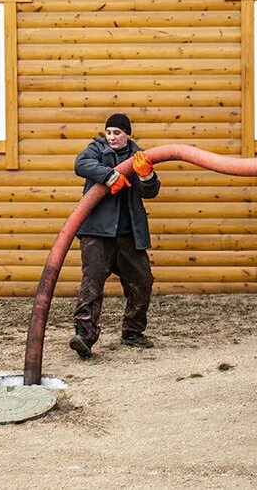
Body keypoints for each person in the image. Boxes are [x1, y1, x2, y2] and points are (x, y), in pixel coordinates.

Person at [69, 113, 161, 358]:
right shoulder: (95, 149)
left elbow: (150, 191)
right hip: (97, 232)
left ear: (127, 134)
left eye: (117, 132)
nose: (111, 137)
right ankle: (84, 336)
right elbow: (81, 164)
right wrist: (110, 176)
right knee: (92, 283)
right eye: (108, 132)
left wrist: (146, 175)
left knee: (142, 282)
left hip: (128, 233)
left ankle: (132, 332)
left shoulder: (139, 155)